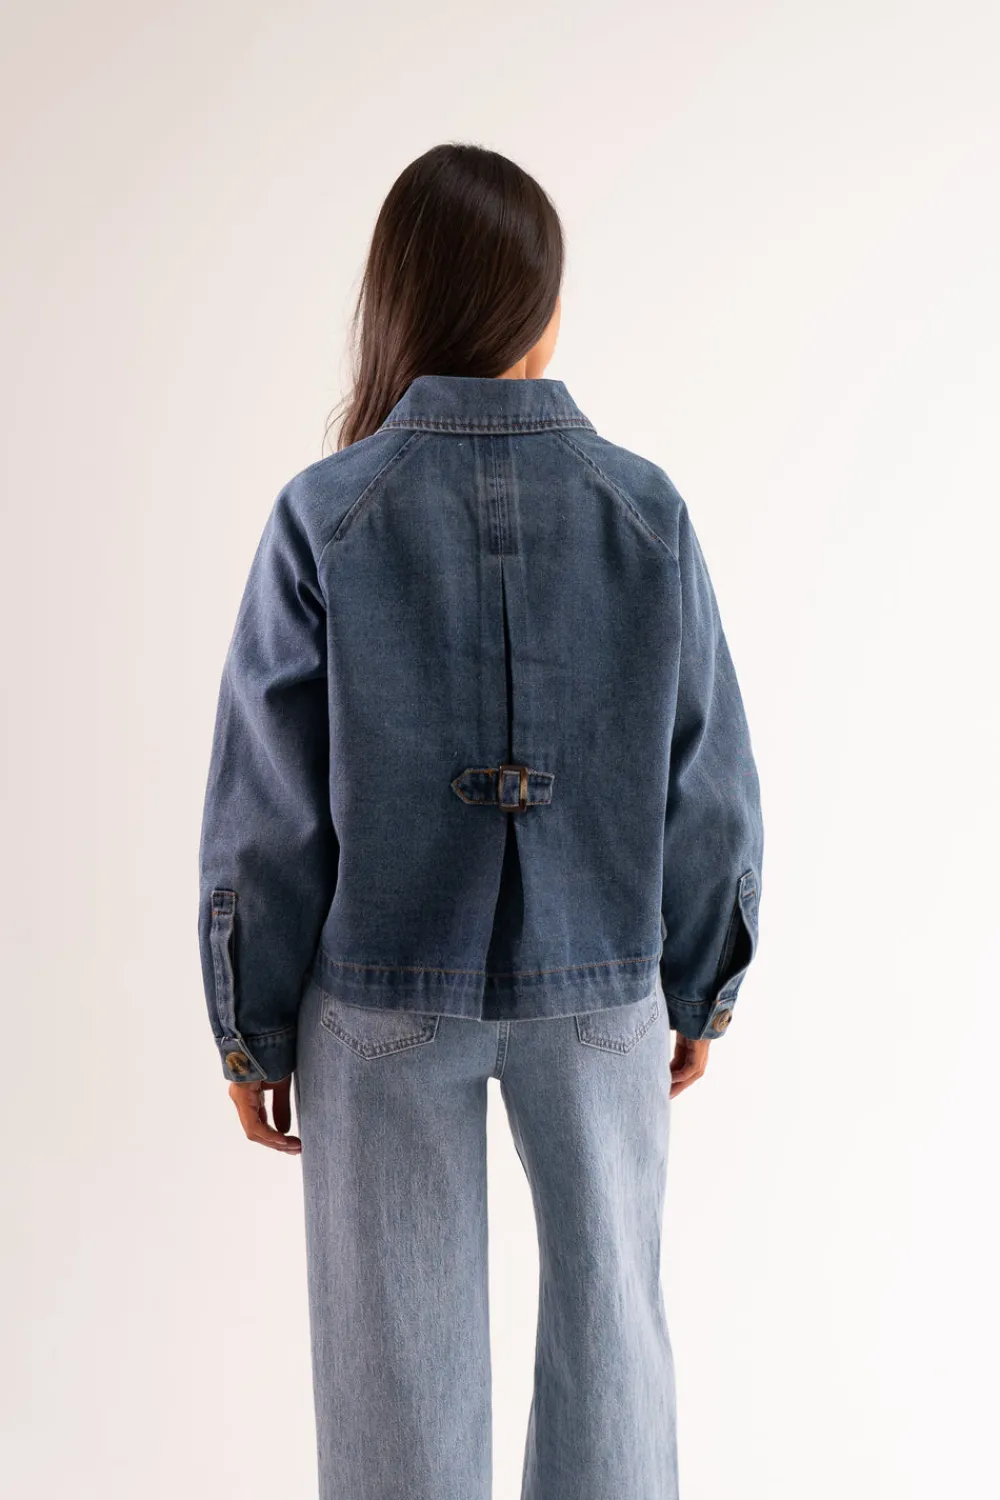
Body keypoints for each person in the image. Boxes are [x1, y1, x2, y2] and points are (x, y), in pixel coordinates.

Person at [197, 141, 764, 1500]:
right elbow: (708, 773)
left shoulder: (326, 513)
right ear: (540, 309)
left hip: (380, 991)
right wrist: (703, 978)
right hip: (603, 984)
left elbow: (268, 801)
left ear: (402, 303)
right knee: (614, 1335)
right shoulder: (644, 509)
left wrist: (249, 1020)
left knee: (391, 1377)